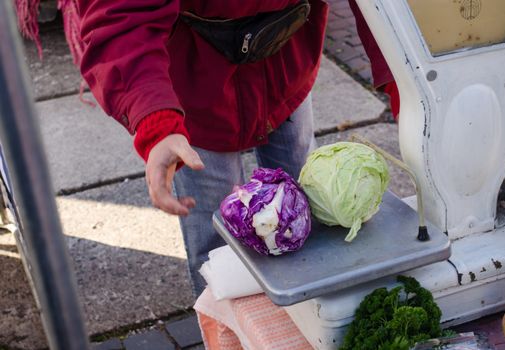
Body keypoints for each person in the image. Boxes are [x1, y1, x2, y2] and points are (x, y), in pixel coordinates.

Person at [78, 0, 329, 297]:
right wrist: (157, 124)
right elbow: (121, 15)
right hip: (199, 87)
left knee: (308, 203)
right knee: (216, 241)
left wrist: (398, 81)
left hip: (286, 66)